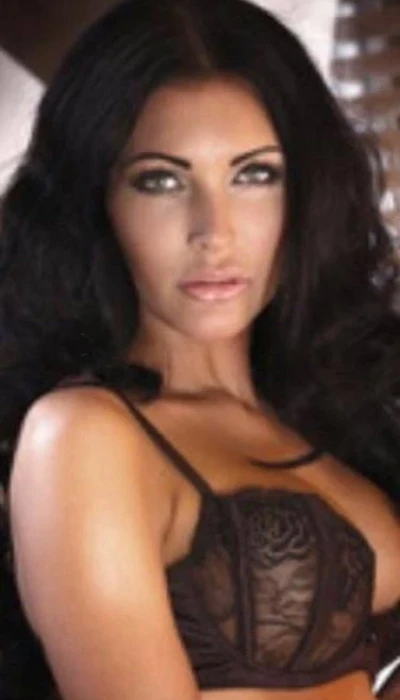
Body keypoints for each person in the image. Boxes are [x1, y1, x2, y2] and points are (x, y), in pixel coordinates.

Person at [0, 0, 399, 698]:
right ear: (99, 202)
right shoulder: (83, 435)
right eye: (161, 180)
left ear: (306, 190)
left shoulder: (330, 416)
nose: (214, 232)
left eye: (255, 175)